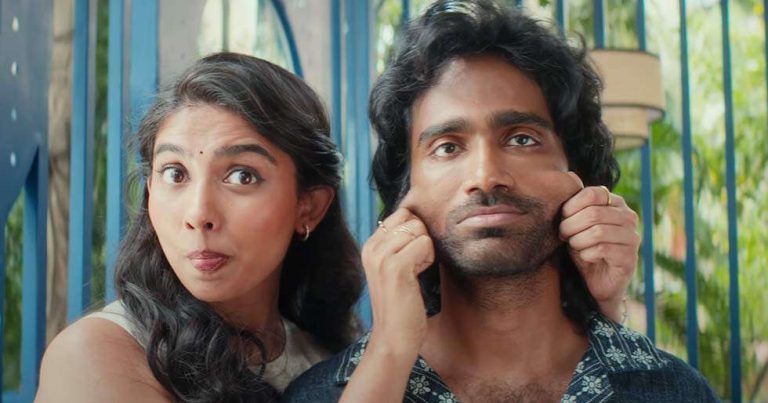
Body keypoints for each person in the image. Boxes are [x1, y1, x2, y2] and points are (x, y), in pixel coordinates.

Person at [283, 1, 719, 402]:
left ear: (578, 174)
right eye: (447, 147)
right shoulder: (320, 396)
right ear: (405, 190)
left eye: (522, 139)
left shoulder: (673, 391)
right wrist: (391, 350)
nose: (485, 176)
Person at [36, 53, 363, 402]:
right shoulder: (96, 355)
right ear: (150, 191)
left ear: (308, 206)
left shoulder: (327, 353)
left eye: (242, 176)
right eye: (175, 173)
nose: (198, 213)